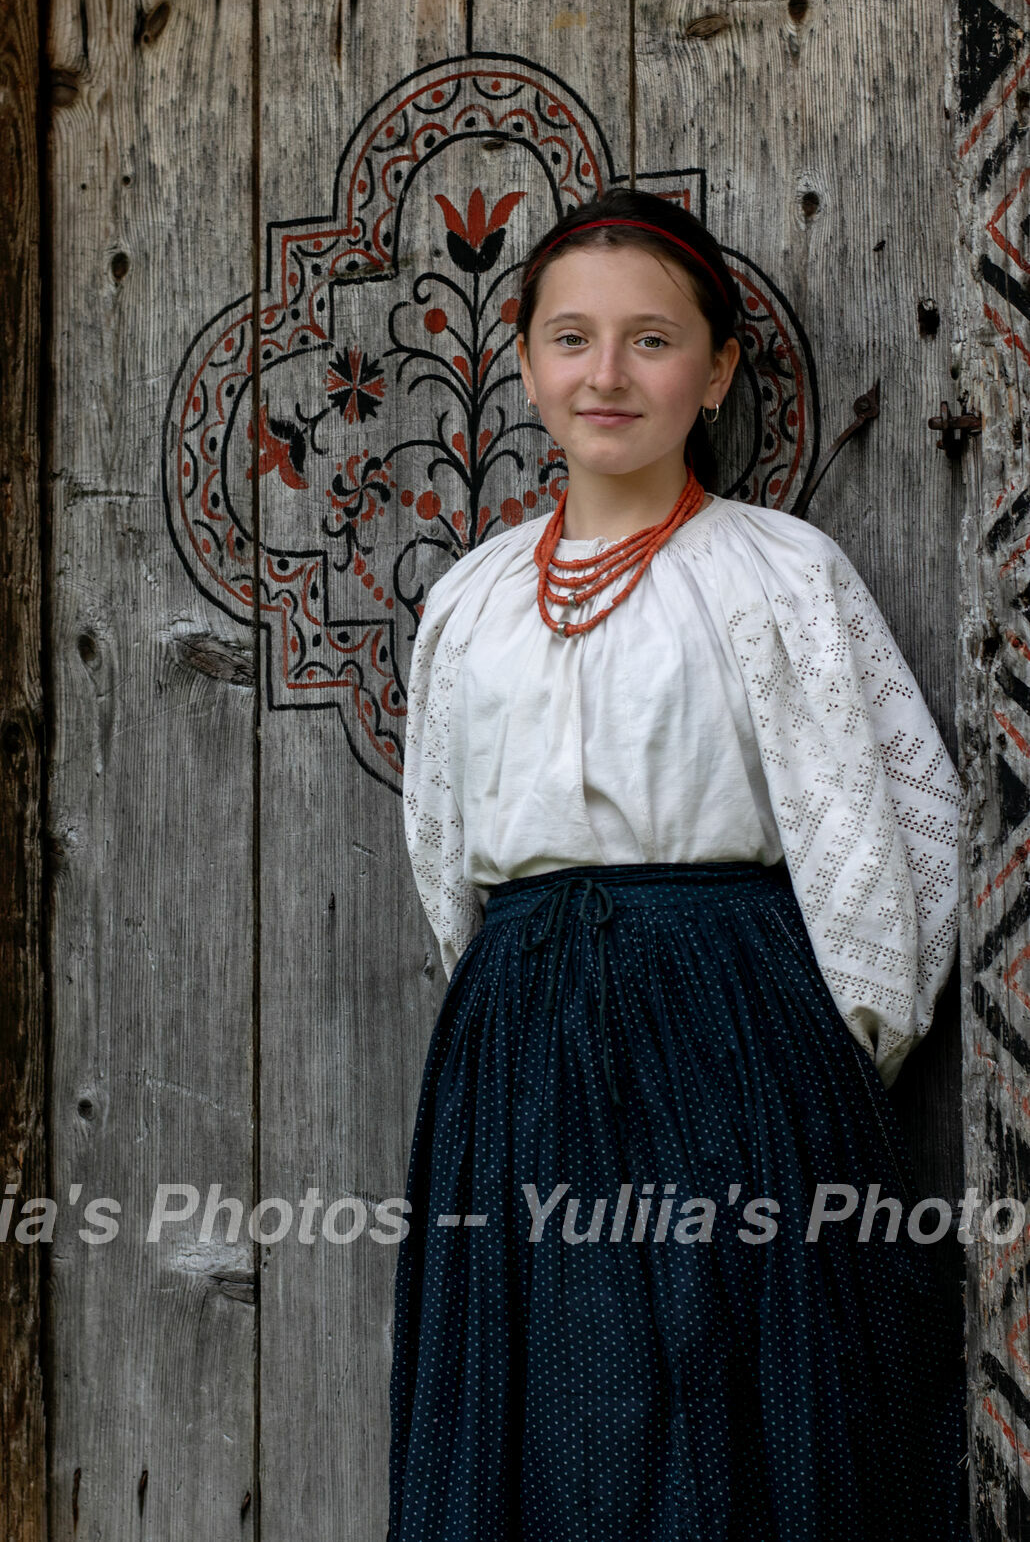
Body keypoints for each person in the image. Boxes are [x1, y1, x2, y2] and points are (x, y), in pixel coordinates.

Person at [387, 186, 969, 1541]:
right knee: (553, 1417)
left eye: (651, 341)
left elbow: (893, 830)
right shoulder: (467, 604)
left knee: (743, 1409)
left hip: (740, 1039)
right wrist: (527, 1001)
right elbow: (443, 858)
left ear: (713, 372)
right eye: (572, 337)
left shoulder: (778, 576)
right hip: (523, 1043)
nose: (607, 374)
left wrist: (806, 1062)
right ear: (522, 360)